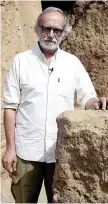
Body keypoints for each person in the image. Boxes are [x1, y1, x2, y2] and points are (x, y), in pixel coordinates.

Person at [2, 7, 108, 203]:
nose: (51, 34)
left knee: (59, 200)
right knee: (24, 200)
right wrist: (10, 148)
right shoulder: (21, 62)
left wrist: (97, 102)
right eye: (46, 28)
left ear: (63, 33)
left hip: (60, 151)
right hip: (26, 151)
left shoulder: (72, 63)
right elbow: (10, 107)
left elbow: (87, 98)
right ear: (37, 29)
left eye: (57, 30)